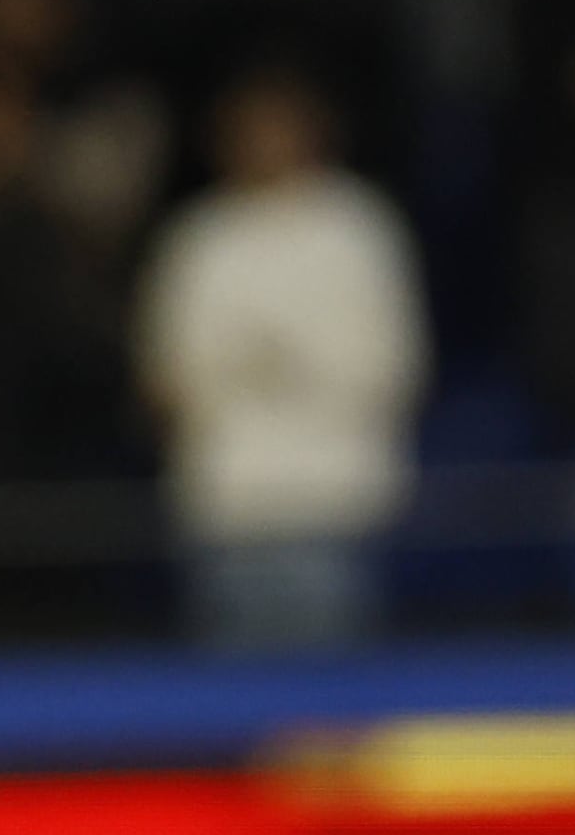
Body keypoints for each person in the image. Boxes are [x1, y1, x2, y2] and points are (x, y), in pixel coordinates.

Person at [134, 67, 422, 653]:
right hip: (227, 510)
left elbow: (391, 367)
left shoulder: (357, 227)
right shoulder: (198, 238)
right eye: (248, 130)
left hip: (334, 506)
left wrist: (280, 359)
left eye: (278, 127)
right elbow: (164, 378)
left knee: (331, 715)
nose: (264, 142)